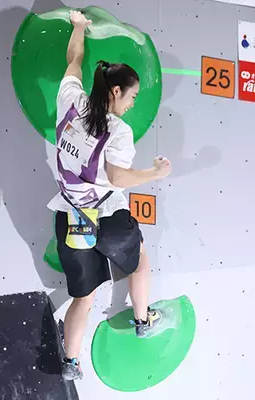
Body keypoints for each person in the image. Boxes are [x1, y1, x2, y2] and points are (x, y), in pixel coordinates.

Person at [48, 10, 172, 381]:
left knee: (83, 296)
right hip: (108, 216)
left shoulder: (70, 99)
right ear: (116, 91)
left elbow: (74, 59)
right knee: (139, 262)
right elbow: (117, 177)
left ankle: (71, 363)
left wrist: (78, 27)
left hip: (73, 216)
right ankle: (143, 321)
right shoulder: (118, 131)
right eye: (132, 95)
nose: (132, 103)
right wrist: (155, 173)